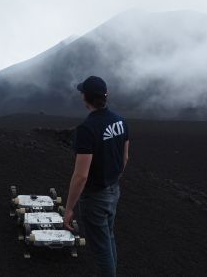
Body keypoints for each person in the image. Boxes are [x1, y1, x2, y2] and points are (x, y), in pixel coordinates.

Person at [63, 75, 130, 277]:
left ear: (85, 98)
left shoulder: (87, 129)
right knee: (108, 238)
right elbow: (125, 157)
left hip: (95, 197)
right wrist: (112, 180)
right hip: (113, 190)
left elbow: (81, 175)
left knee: (101, 249)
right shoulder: (120, 121)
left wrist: (68, 208)